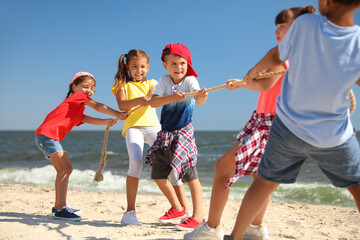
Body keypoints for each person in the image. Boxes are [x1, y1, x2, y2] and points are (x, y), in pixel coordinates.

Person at [229, 0, 360, 239]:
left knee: (264, 182)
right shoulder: (357, 41)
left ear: (326, 3)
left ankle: (236, 236)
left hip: (289, 127)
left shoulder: (307, 26)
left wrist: (251, 73)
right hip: (333, 134)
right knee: (357, 185)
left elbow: (275, 55)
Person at [184, 5, 316, 240]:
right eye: (276, 27)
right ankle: (255, 228)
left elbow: (265, 84)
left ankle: (211, 229)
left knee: (222, 169)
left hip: (269, 125)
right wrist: (241, 84)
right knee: (260, 178)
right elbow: (269, 84)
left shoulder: (281, 54)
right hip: (279, 123)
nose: (276, 32)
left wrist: (244, 82)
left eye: (282, 27)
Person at [111, 49, 190, 225]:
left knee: (169, 166)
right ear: (127, 67)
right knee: (136, 161)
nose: (139, 71)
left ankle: (182, 211)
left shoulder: (152, 83)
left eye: (142, 67)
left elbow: (157, 98)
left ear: (148, 67)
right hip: (133, 127)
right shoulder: (122, 84)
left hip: (154, 127)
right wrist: (140, 100)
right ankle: (130, 212)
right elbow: (122, 104)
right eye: (134, 67)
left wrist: (172, 97)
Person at [35, 72, 127, 221]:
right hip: (48, 136)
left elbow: (86, 119)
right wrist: (118, 114)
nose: (88, 91)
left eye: (92, 89)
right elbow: (97, 106)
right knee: (67, 169)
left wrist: (106, 121)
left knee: (61, 170)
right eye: (85, 87)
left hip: (45, 137)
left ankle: (58, 205)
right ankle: (61, 209)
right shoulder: (77, 97)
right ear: (74, 86)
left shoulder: (76, 108)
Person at [145, 43, 208, 231]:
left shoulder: (190, 81)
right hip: (165, 134)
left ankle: (198, 217)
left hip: (183, 134)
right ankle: (179, 209)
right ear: (165, 65)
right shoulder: (164, 80)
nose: (178, 67)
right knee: (158, 174)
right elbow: (154, 103)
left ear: (187, 65)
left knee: (190, 176)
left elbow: (200, 100)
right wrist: (172, 98)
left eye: (182, 63)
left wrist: (201, 95)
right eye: (173, 63)